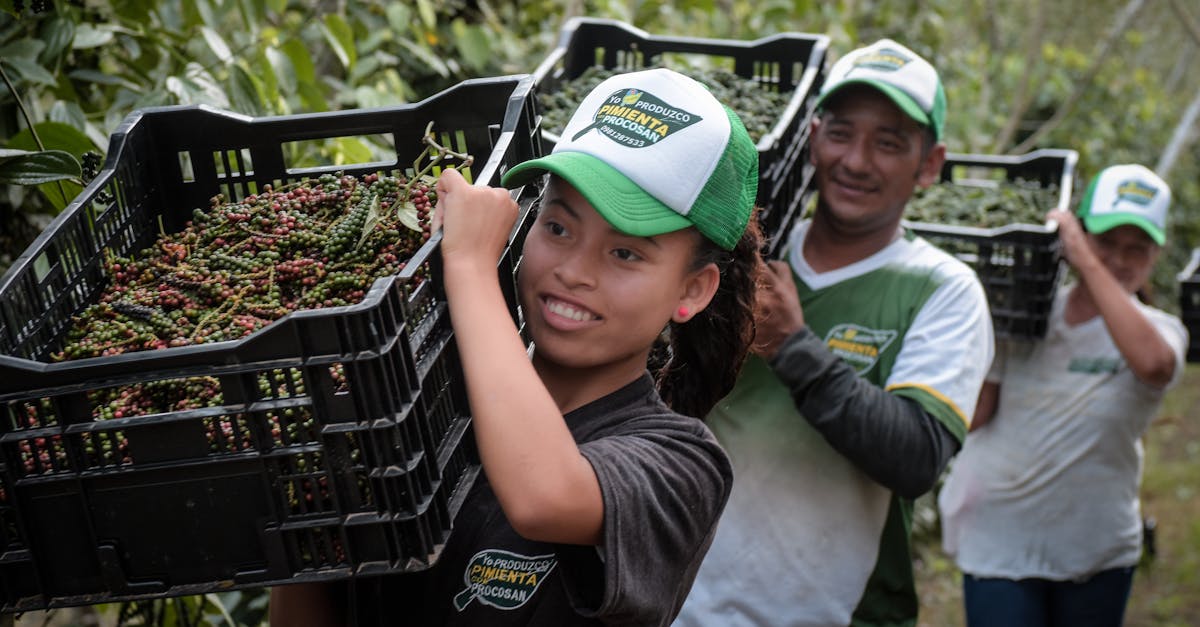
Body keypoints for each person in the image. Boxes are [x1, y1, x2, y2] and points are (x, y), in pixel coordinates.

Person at [268, 67, 765, 626]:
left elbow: (543, 496)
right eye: (558, 227)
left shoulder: (680, 466)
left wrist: (469, 265)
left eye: (626, 254)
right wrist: (309, 517)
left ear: (692, 290)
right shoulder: (429, 404)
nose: (574, 271)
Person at [674, 39, 994, 627]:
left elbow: (916, 455)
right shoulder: (742, 261)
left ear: (929, 163)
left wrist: (792, 347)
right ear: (813, 136)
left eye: (889, 142)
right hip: (686, 604)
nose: (856, 160)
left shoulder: (945, 290)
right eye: (842, 133)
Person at [937, 164, 1188, 627]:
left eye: (1136, 249)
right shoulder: (1030, 314)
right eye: (1105, 243)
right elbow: (980, 412)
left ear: (1157, 254)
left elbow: (1153, 367)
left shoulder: (1160, 333)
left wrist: (1084, 261)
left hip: (1093, 547)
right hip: (1000, 539)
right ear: (1083, 235)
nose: (1118, 259)